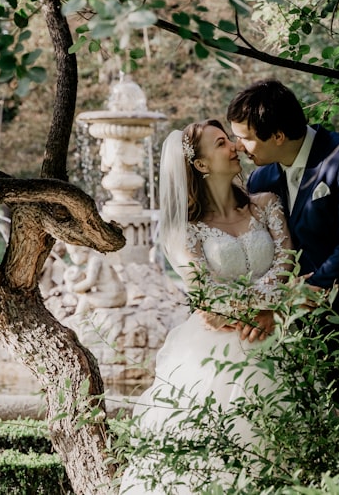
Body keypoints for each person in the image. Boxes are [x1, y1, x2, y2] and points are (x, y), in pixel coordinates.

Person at [118, 119, 294, 495]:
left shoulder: (266, 205)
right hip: (216, 353)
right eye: (221, 143)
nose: (234, 146)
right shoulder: (185, 229)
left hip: (281, 335)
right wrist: (254, 311)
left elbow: (286, 264)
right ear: (200, 164)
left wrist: (268, 311)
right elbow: (205, 297)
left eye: (231, 139)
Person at [227, 79, 339, 394]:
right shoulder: (260, 180)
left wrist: (288, 303)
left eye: (245, 138)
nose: (238, 147)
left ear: (278, 136)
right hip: (292, 341)